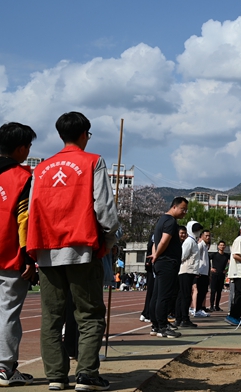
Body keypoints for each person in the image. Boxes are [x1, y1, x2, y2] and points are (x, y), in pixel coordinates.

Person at [27, 112, 119, 390]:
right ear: (84, 134)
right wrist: (109, 238)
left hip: (46, 249)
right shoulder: (93, 161)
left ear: (60, 135)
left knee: (51, 317)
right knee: (89, 314)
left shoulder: (41, 168)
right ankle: (87, 374)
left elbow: (32, 208)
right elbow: (104, 207)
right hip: (81, 247)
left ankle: (56, 376)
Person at [0, 122, 36, 387]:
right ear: (21, 148)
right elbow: (24, 219)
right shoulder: (22, 177)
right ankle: (5, 368)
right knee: (8, 312)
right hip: (9, 254)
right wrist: (28, 258)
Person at [149, 198, 189, 339]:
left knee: (157, 295)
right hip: (167, 263)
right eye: (183, 209)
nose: (184, 212)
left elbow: (155, 242)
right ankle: (162, 327)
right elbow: (164, 240)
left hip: (161, 262)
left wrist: (155, 255)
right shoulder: (171, 222)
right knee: (164, 296)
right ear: (174, 207)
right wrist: (157, 255)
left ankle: (155, 325)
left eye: (186, 210)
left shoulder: (162, 220)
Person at [177, 221, 202, 328]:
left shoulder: (193, 241)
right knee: (185, 296)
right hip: (186, 271)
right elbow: (182, 256)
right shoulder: (189, 241)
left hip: (190, 271)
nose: (197, 231)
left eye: (198, 229)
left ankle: (180, 318)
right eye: (195, 229)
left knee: (183, 295)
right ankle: (184, 319)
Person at [192, 229, 211, 317]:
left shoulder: (206, 247)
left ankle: (199, 309)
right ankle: (196, 309)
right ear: (202, 236)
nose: (208, 237)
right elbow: (195, 257)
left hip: (205, 273)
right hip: (200, 272)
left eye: (209, 236)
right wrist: (196, 270)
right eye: (206, 236)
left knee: (203, 291)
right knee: (199, 291)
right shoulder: (200, 245)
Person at [209, 240, 230, 312]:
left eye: (223, 245)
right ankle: (211, 306)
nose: (222, 246)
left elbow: (231, 263)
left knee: (219, 291)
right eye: (221, 245)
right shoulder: (214, 255)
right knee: (213, 291)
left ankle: (217, 306)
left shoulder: (227, 255)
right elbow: (206, 260)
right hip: (214, 275)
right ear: (218, 246)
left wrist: (227, 270)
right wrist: (210, 268)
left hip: (222, 275)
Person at [140, 235, 155, 323]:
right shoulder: (156, 235)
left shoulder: (154, 235)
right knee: (152, 291)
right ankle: (147, 314)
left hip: (151, 266)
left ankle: (146, 313)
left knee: (151, 291)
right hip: (153, 266)